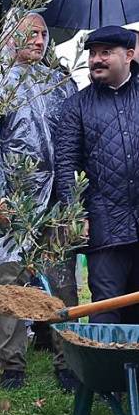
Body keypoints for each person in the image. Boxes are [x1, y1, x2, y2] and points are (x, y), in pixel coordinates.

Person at [0, 12, 78, 390]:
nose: (38, 40)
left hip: (55, 202)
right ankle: (12, 363)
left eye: (43, 34)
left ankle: (69, 359)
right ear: (10, 39)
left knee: (61, 279)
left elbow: (71, 144)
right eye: (30, 34)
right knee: (12, 281)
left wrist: (71, 198)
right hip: (13, 202)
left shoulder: (60, 85)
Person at [55, 26, 139, 324]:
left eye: (106, 52)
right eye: (92, 53)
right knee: (107, 310)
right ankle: (107, 370)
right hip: (104, 227)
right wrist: (76, 214)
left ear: (129, 55)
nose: (96, 59)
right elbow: (65, 164)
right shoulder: (76, 105)